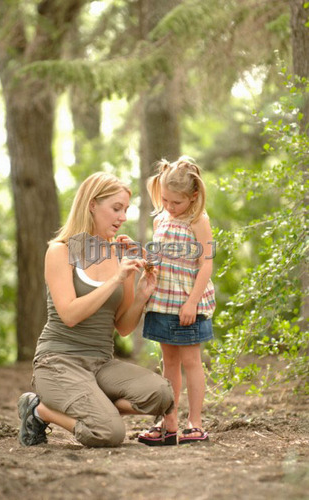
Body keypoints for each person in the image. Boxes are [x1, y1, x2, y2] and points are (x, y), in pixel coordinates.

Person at [17, 172, 174, 448]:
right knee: (108, 434)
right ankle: (38, 411)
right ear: (92, 204)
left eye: (125, 209)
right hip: (59, 362)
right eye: (116, 208)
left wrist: (141, 295)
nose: (123, 216)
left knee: (162, 394)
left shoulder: (118, 255)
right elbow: (70, 314)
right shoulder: (60, 251)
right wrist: (116, 279)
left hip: (101, 364)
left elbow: (123, 328)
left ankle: (96, 405)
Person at [138, 157, 216, 446]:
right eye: (166, 200)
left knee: (191, 361)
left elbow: (206, 265)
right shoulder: (161, 218)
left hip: (187, 303)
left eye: (176, 203)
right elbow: (159, 260)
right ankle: (168, 423)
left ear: (193, 196)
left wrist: (192, 303)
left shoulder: (198, 220)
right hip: (162, 303)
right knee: (168, 363)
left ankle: (194, 422)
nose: (170, 207)